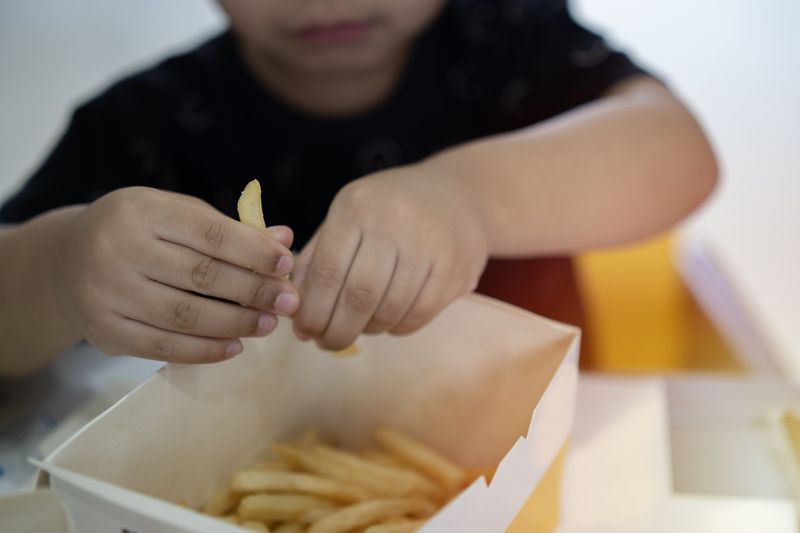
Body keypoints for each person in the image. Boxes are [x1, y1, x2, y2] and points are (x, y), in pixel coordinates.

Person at [0, 0, 717, 377]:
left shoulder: (510, 34)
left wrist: (470, 198)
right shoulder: (142, 124)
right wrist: (60, 269)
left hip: (544, 446)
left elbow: (680, 151)